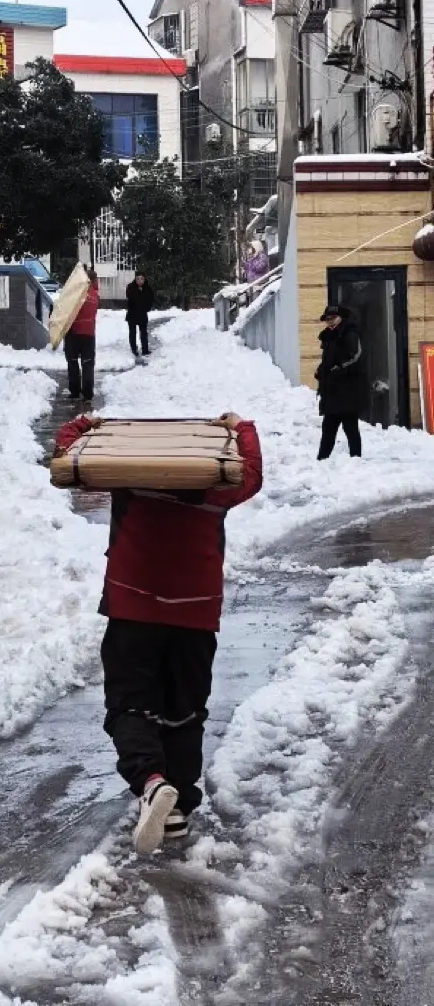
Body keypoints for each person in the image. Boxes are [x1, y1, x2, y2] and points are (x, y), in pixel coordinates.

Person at [53, 412, 263, 855]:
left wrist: (85, 425)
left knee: (128, 705)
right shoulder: (217, 488)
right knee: (185, 712)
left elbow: (66, 457)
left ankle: (151, 782)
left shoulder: (128, 480)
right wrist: (241, 427)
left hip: (134, 610)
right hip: (196, 613)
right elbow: (253, 472)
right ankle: (177, 808)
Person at [314, 305, 365, 460]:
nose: (330, 322)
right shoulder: (329, 336)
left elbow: (354, 355)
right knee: (328, 427)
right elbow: (329, 359)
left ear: (341, 317)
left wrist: (337, 370)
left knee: (350, 427)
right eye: (327, 319)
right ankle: (322, 460)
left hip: (347, 390)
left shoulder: (349, 332)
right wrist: (321, 370)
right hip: (332, 390)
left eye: (333, 318)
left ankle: (356, 459)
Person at [64, 267, 99, 406]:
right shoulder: (95, 295)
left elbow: (65, 311)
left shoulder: (76, 294)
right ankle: (88, 394)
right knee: (88, 363)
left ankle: (75, 392)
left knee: (72, 362)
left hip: (73, 333)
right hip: (89, 334)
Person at [126, 272, 155, 358]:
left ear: (144, 279)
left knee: (143, 333)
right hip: (132, 314)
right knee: (132, 333)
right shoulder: (130, 287)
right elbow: (130, 298)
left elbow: (150, 299)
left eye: (142, 278)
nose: (140, 281)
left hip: (142, 314)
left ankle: (145, 350)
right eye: (138, 278)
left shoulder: (147, 288)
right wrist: (139, 293)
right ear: (135, 279)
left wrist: (147, 308)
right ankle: (134, 349)